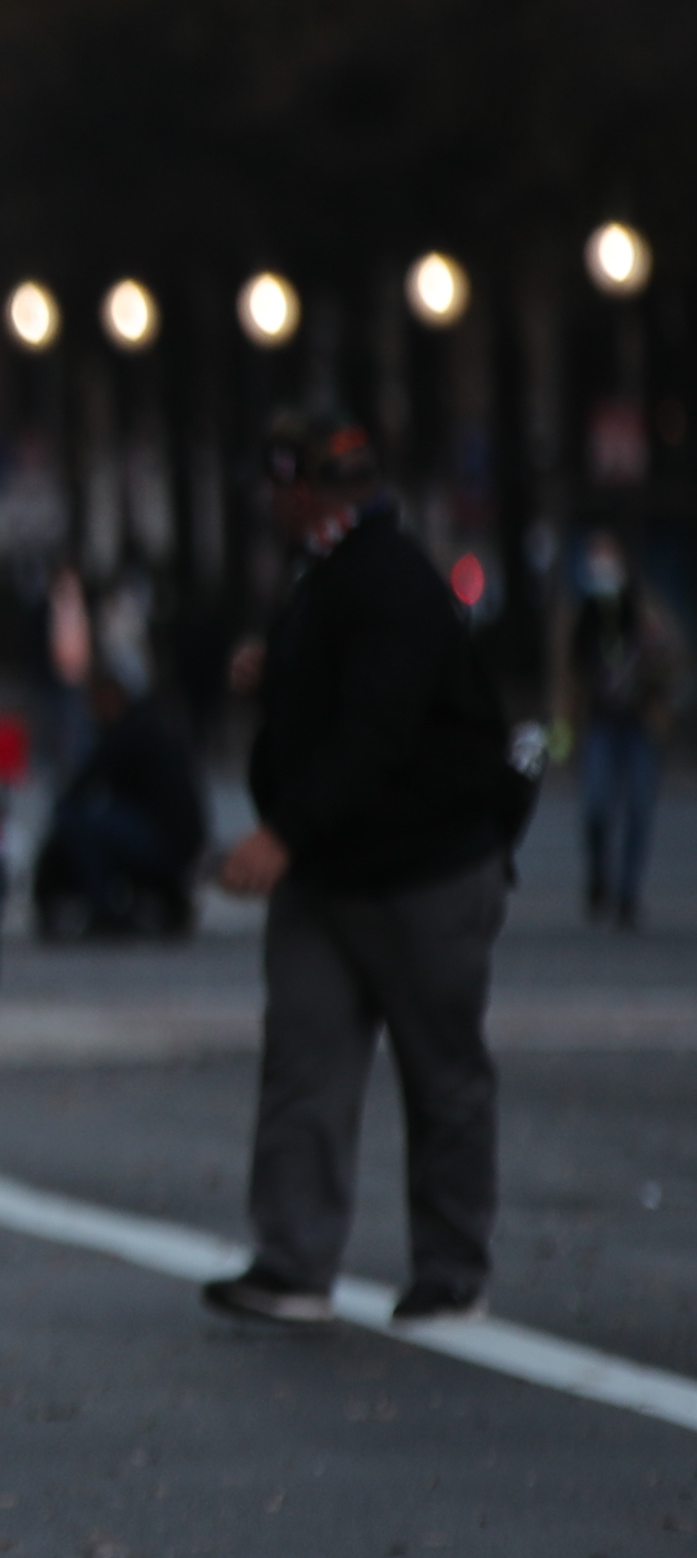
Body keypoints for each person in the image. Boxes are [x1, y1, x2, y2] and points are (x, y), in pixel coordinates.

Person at [206, 414, 526, 1329]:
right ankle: (303, 1258)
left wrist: (285, 831)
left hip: (412, 866)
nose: (270, 504)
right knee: (316, 1062)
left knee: (431, 1071)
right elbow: (362, 697)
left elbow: (376, 728)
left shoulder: (377, 581)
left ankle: (443, 1263)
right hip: (348, 864)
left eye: (278, 488)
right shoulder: (354, 572)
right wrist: (280, 673)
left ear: (303, 490)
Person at [31, 668, 206, 938]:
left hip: (164, 840)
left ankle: (103, 908)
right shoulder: (151, 724)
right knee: (101, 822)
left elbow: (85, 783)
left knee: (82, 827)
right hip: (179, 838)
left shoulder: (129, 731)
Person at [567, 534, 683, 929]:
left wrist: (655, 650)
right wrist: (564, 727)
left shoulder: (645, 608)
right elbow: (569, 673)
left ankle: (628, 892)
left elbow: (673, 659)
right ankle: (600, 875)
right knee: (597, 805)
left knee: (638, 808)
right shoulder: (584, 613)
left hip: (639, 721)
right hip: (600, 720)